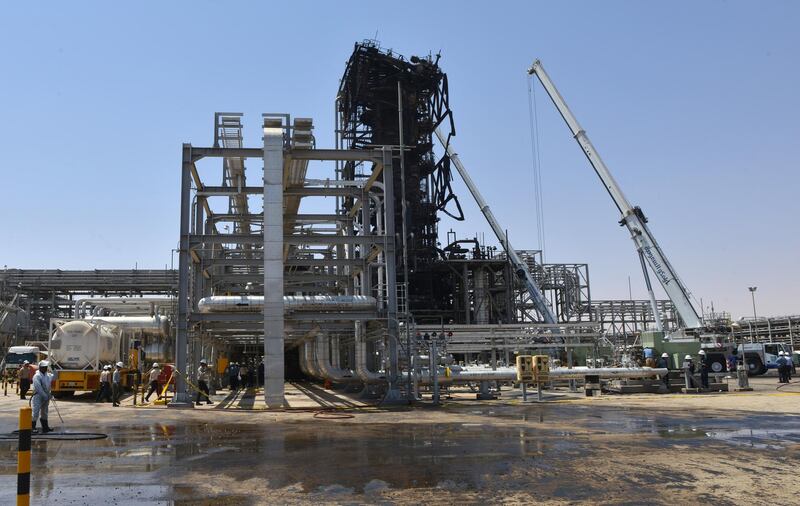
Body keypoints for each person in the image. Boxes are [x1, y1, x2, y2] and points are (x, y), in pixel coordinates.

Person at [31, 360, 54, 433]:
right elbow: (38, 388)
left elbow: (56, 376)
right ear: (40, 367)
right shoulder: (37, 376)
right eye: (44, 367)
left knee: (44, 412)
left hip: (46, 396)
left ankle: (45, 427)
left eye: (46, 367)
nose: (45, 368)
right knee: (35, 411)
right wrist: (45, 395)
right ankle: (32, 427)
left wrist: (54, 369)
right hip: (38, 396)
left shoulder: (48, 375)